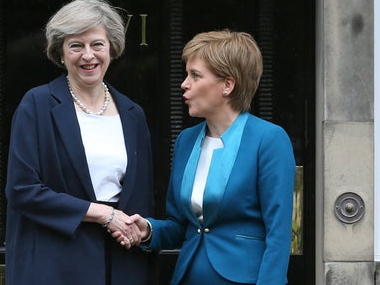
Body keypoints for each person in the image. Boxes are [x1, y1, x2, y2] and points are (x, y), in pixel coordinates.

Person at [123, 30, 295, 285]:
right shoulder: (186, 140)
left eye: (195, 75)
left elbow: (278, 237)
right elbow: (180, 226)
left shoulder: (268, 140)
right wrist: (149, 230)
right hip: (188, 277)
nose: (184, 83)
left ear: (228, 84)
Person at [4, 0, 153, 285]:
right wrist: (102, 214)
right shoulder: (37, 105)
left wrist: (139, 231)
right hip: (54, 262)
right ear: (61, 53)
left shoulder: (133, 114)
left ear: (112, 48)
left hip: (120, 264)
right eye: (76, 46)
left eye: (97, 44)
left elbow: (143, 199)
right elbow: (22, 190)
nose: (88, 55)